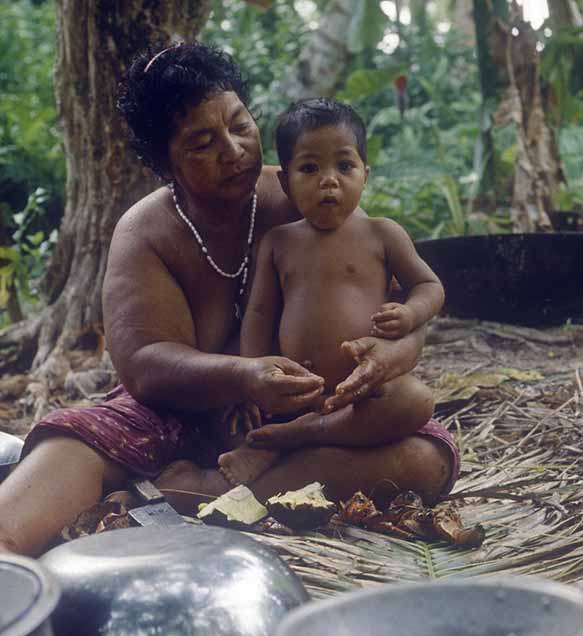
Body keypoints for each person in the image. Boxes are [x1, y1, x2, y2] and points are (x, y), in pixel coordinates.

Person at [0, 43, 458, 557]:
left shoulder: (303, 192)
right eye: (202, 143)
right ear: (164, 161)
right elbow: (142, 365)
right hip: (174, 418)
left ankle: (199, 498)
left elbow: (395, 308)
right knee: (71, 446)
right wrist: (242, 376)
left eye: (240, 126)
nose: (233, 151)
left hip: (304, 419)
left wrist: (390, 357)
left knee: (425, 457)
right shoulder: (148, 232)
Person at [216, 97, 445, 486]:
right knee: (228, 427)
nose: (329, 179)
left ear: (365, 174)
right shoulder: (278, 242)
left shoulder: (383, 233)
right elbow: (259, 314)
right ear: (286, 182)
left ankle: (304, 436)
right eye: (310, 167)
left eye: (344, 165)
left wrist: (410, 314)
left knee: (415, 400)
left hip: (364, 393)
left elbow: (429, 285)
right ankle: (284, 438)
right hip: (295, 395)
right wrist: (253, 376)